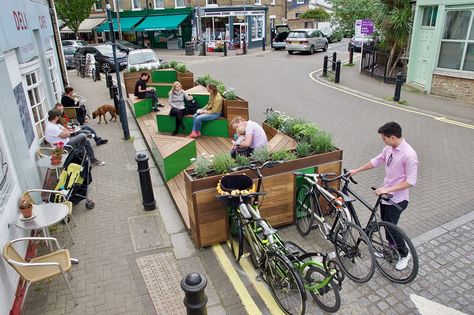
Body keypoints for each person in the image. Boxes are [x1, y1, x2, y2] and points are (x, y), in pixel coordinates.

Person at [347, 121, 418, 271]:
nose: (383, 141)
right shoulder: (390, 148)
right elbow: (376, 161)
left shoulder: (409, 155)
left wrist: (388, 189)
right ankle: (390, 250)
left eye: (384, 138)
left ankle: (404, 255)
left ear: (392, 137)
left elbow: (411, 181)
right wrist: (357, 170)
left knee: (392, 229)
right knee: (385, 226)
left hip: (398, 199)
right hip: (386, 197)